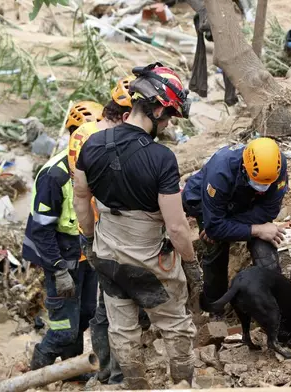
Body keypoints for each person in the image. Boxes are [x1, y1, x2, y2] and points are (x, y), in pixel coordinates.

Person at [72, 62, 202, 389]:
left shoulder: (91, 146)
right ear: (157, 108)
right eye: (169, 114)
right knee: (175, 325)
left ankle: (135, 385)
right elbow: (175, 226)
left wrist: (89, 242)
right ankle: (183, 383)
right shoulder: (161, 159)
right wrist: (191, 263)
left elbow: (80, 201)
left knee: (123, 329)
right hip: (149, 263)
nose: (169, 121)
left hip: (109, 256)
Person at [23, 101, 102, 375]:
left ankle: (74, 371)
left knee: (84, 316)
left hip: (84, 254)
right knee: (63, 330)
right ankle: (37, 370)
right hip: (60, 256)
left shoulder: (94, 167)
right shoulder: (54, 175)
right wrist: (58, 270)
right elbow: (41, 230)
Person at [67, 76, 135, 386]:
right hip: (107, 231)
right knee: (113, 304)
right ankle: (114, 372)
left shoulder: (83, 135)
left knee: (106, 303)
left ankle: (107, 368)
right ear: (126, 116)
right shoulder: (102, 141)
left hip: (96, 230)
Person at [181, 137, 288, 317]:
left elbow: (269, 210)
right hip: (205, 202)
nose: (262, 189)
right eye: (258, 182)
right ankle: (215, 308)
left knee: (265, 243)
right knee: (215, 246)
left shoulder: (277, 166)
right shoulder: (221, 170)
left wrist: (229, 226)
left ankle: (275, 305)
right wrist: (255, 228)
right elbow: (214, 226)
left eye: (266, 184)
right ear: (244, 167)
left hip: (244, 204)